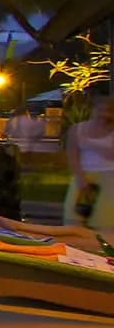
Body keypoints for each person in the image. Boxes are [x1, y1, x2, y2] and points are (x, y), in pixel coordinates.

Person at [65, 96, 114, 229]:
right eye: (100, 109)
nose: (103, 113)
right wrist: (80, 177)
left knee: (104, 221)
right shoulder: (77, 129)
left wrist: (90, 143)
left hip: (109, 177)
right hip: (84, 175)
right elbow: (72, 154)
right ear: (93, 110)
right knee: (74, 218)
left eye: (108, 110)